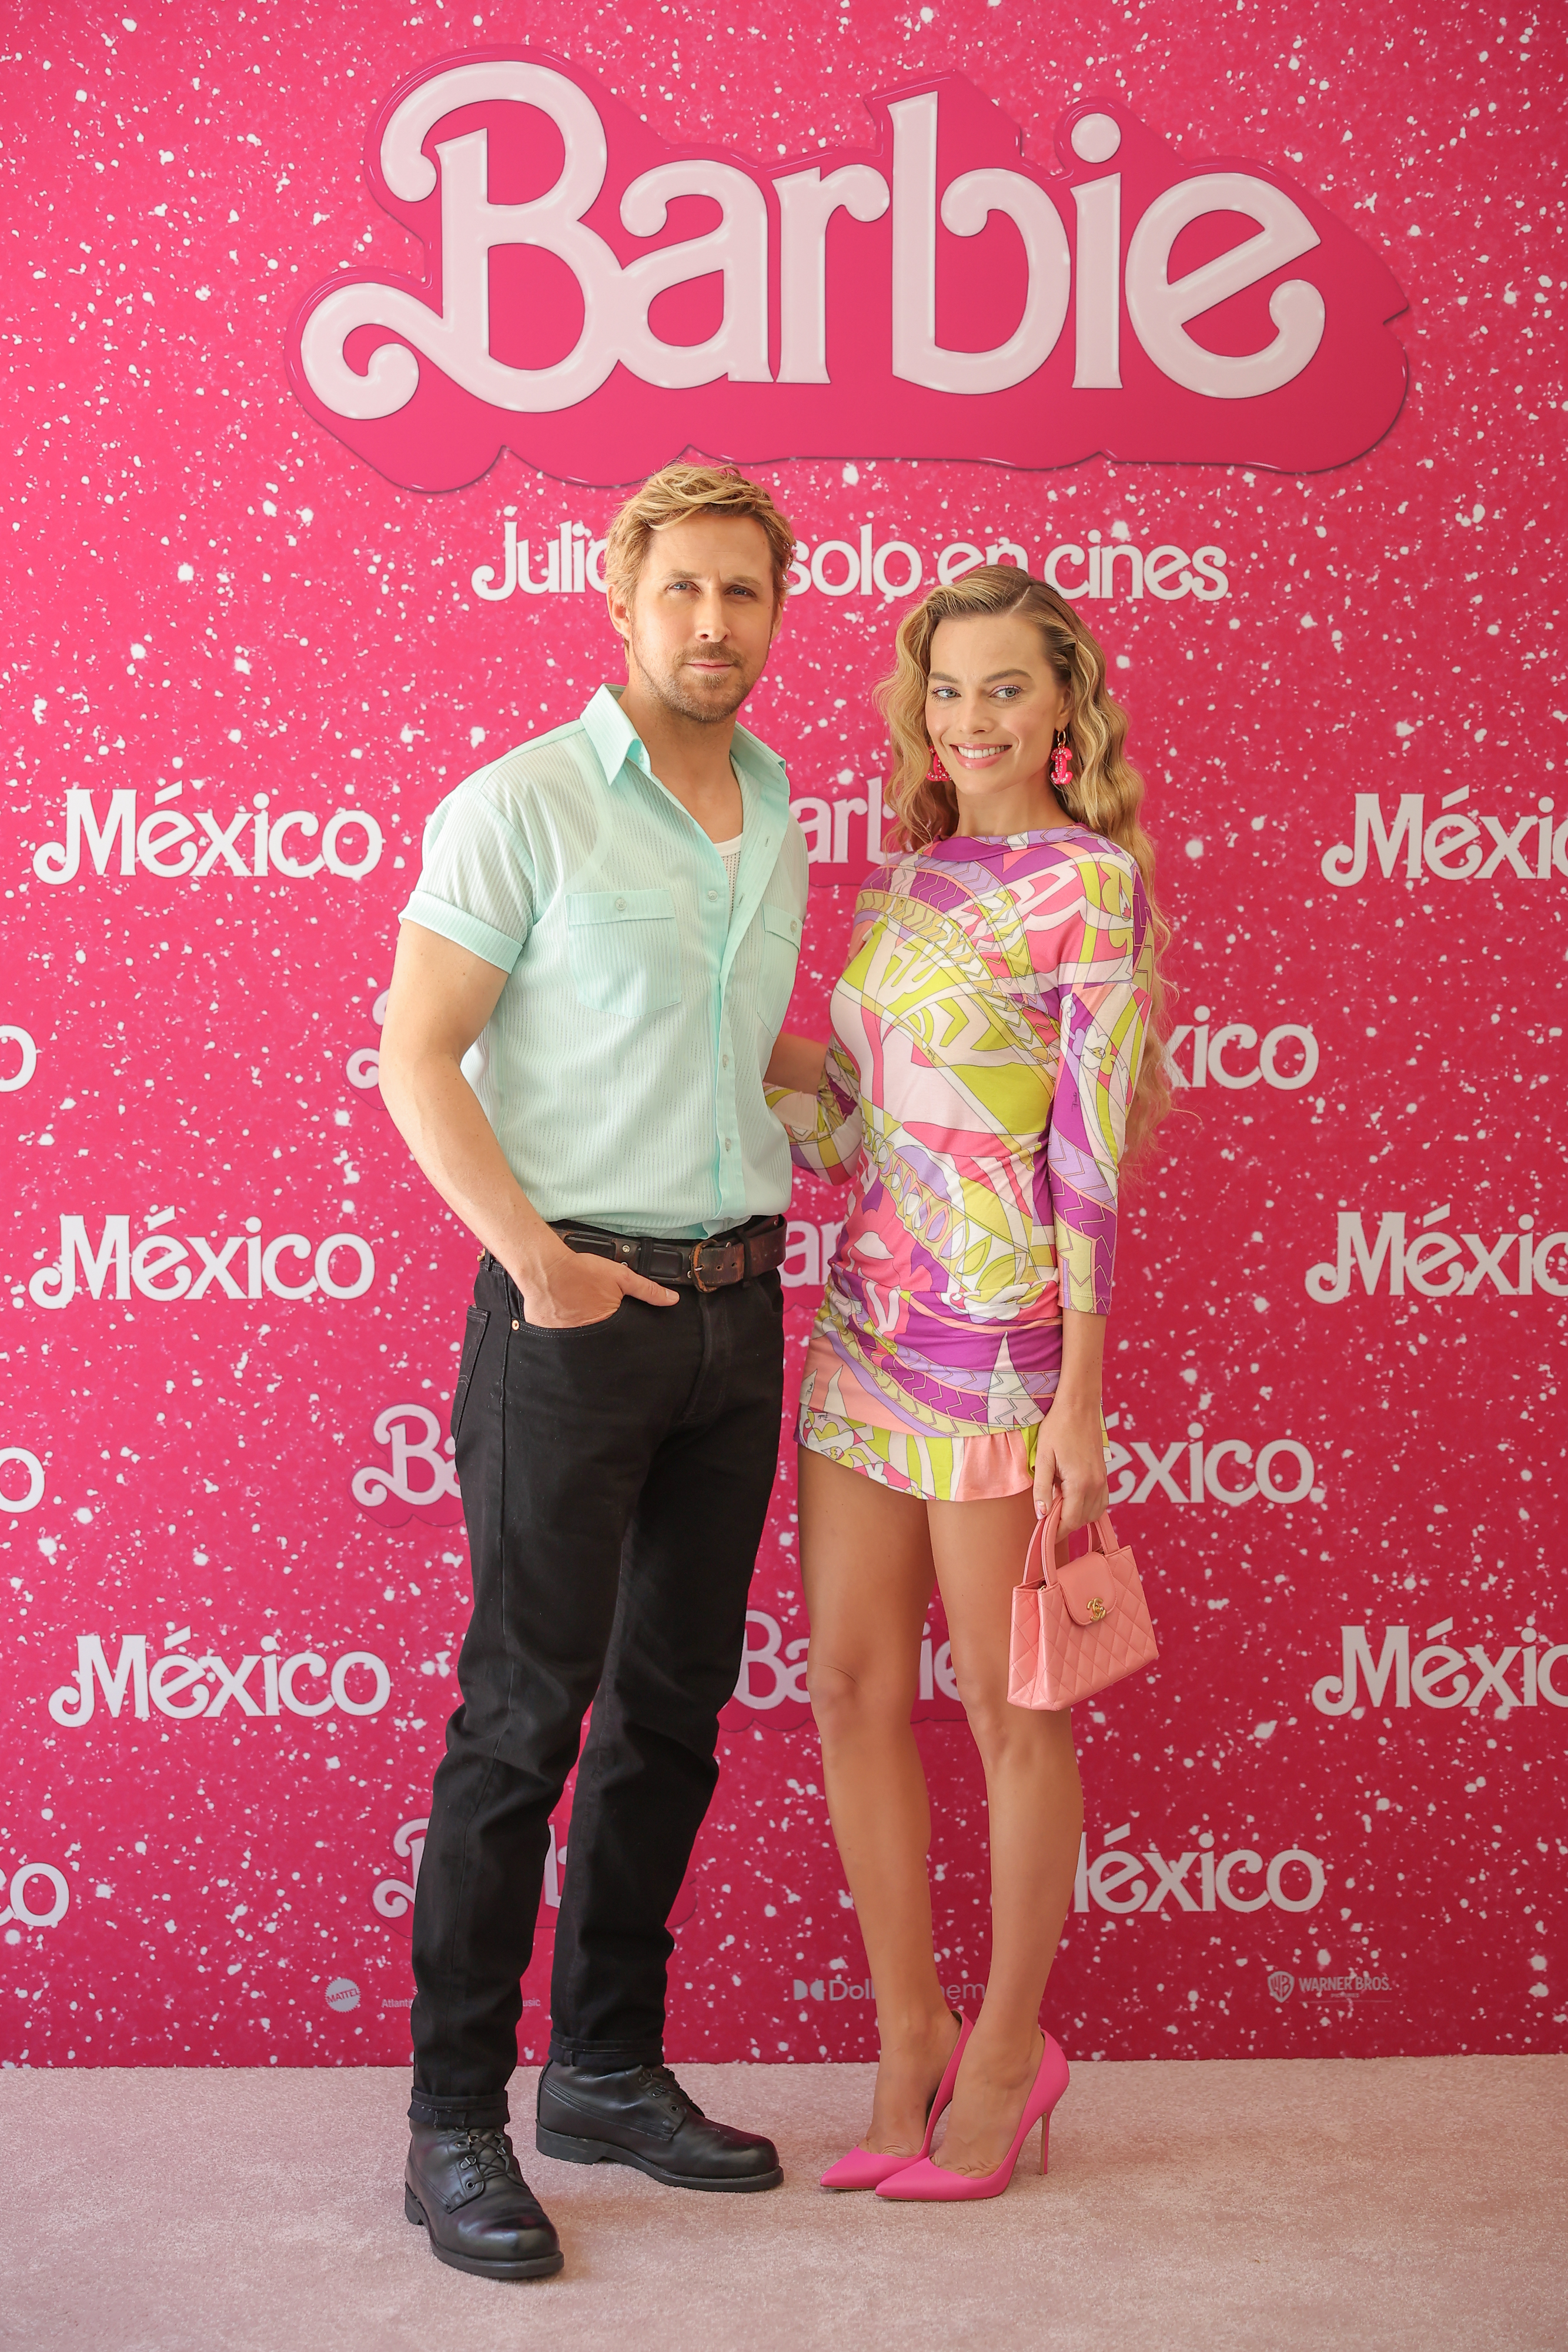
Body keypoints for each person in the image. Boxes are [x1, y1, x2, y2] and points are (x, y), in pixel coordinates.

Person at [377, 464, 809, 2280]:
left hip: (738, 1309)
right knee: (518, 1724)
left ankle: (609, 2069)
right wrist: (541, 1268)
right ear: (618, 595)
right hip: (577, 1316)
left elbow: (732, 1050)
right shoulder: (524, 805)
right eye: (686, 590)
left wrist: (825, 1097)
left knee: (670, 1720)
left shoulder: (774, 801)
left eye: (748, 596)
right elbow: (418, 1056)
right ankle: (456, 2121)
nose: (717, 626)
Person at [766, 566, 1170, 2202]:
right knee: (855, 1691)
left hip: (1003, 1345)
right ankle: (908, 2036)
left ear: (1063, 710)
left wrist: (1078, 1395)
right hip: (863, 1323)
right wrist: (751, 1055)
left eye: (1003, 688)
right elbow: (865, 1128)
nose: (969, 719)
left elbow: (1084, 1154)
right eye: (945, 690)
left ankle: (1012, 2049)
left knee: (1010, 1715)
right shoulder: (909, 878)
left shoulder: (1091, 887)